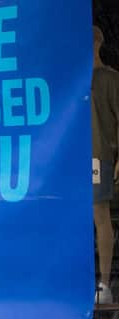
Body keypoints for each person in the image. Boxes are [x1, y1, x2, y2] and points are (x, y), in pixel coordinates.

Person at [91, 25, 119, 304]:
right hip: (68, 159)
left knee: (100, 216)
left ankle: (104, 282)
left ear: (98, 42)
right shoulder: (71, 80)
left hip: (98, 157)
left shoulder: (111, 79)